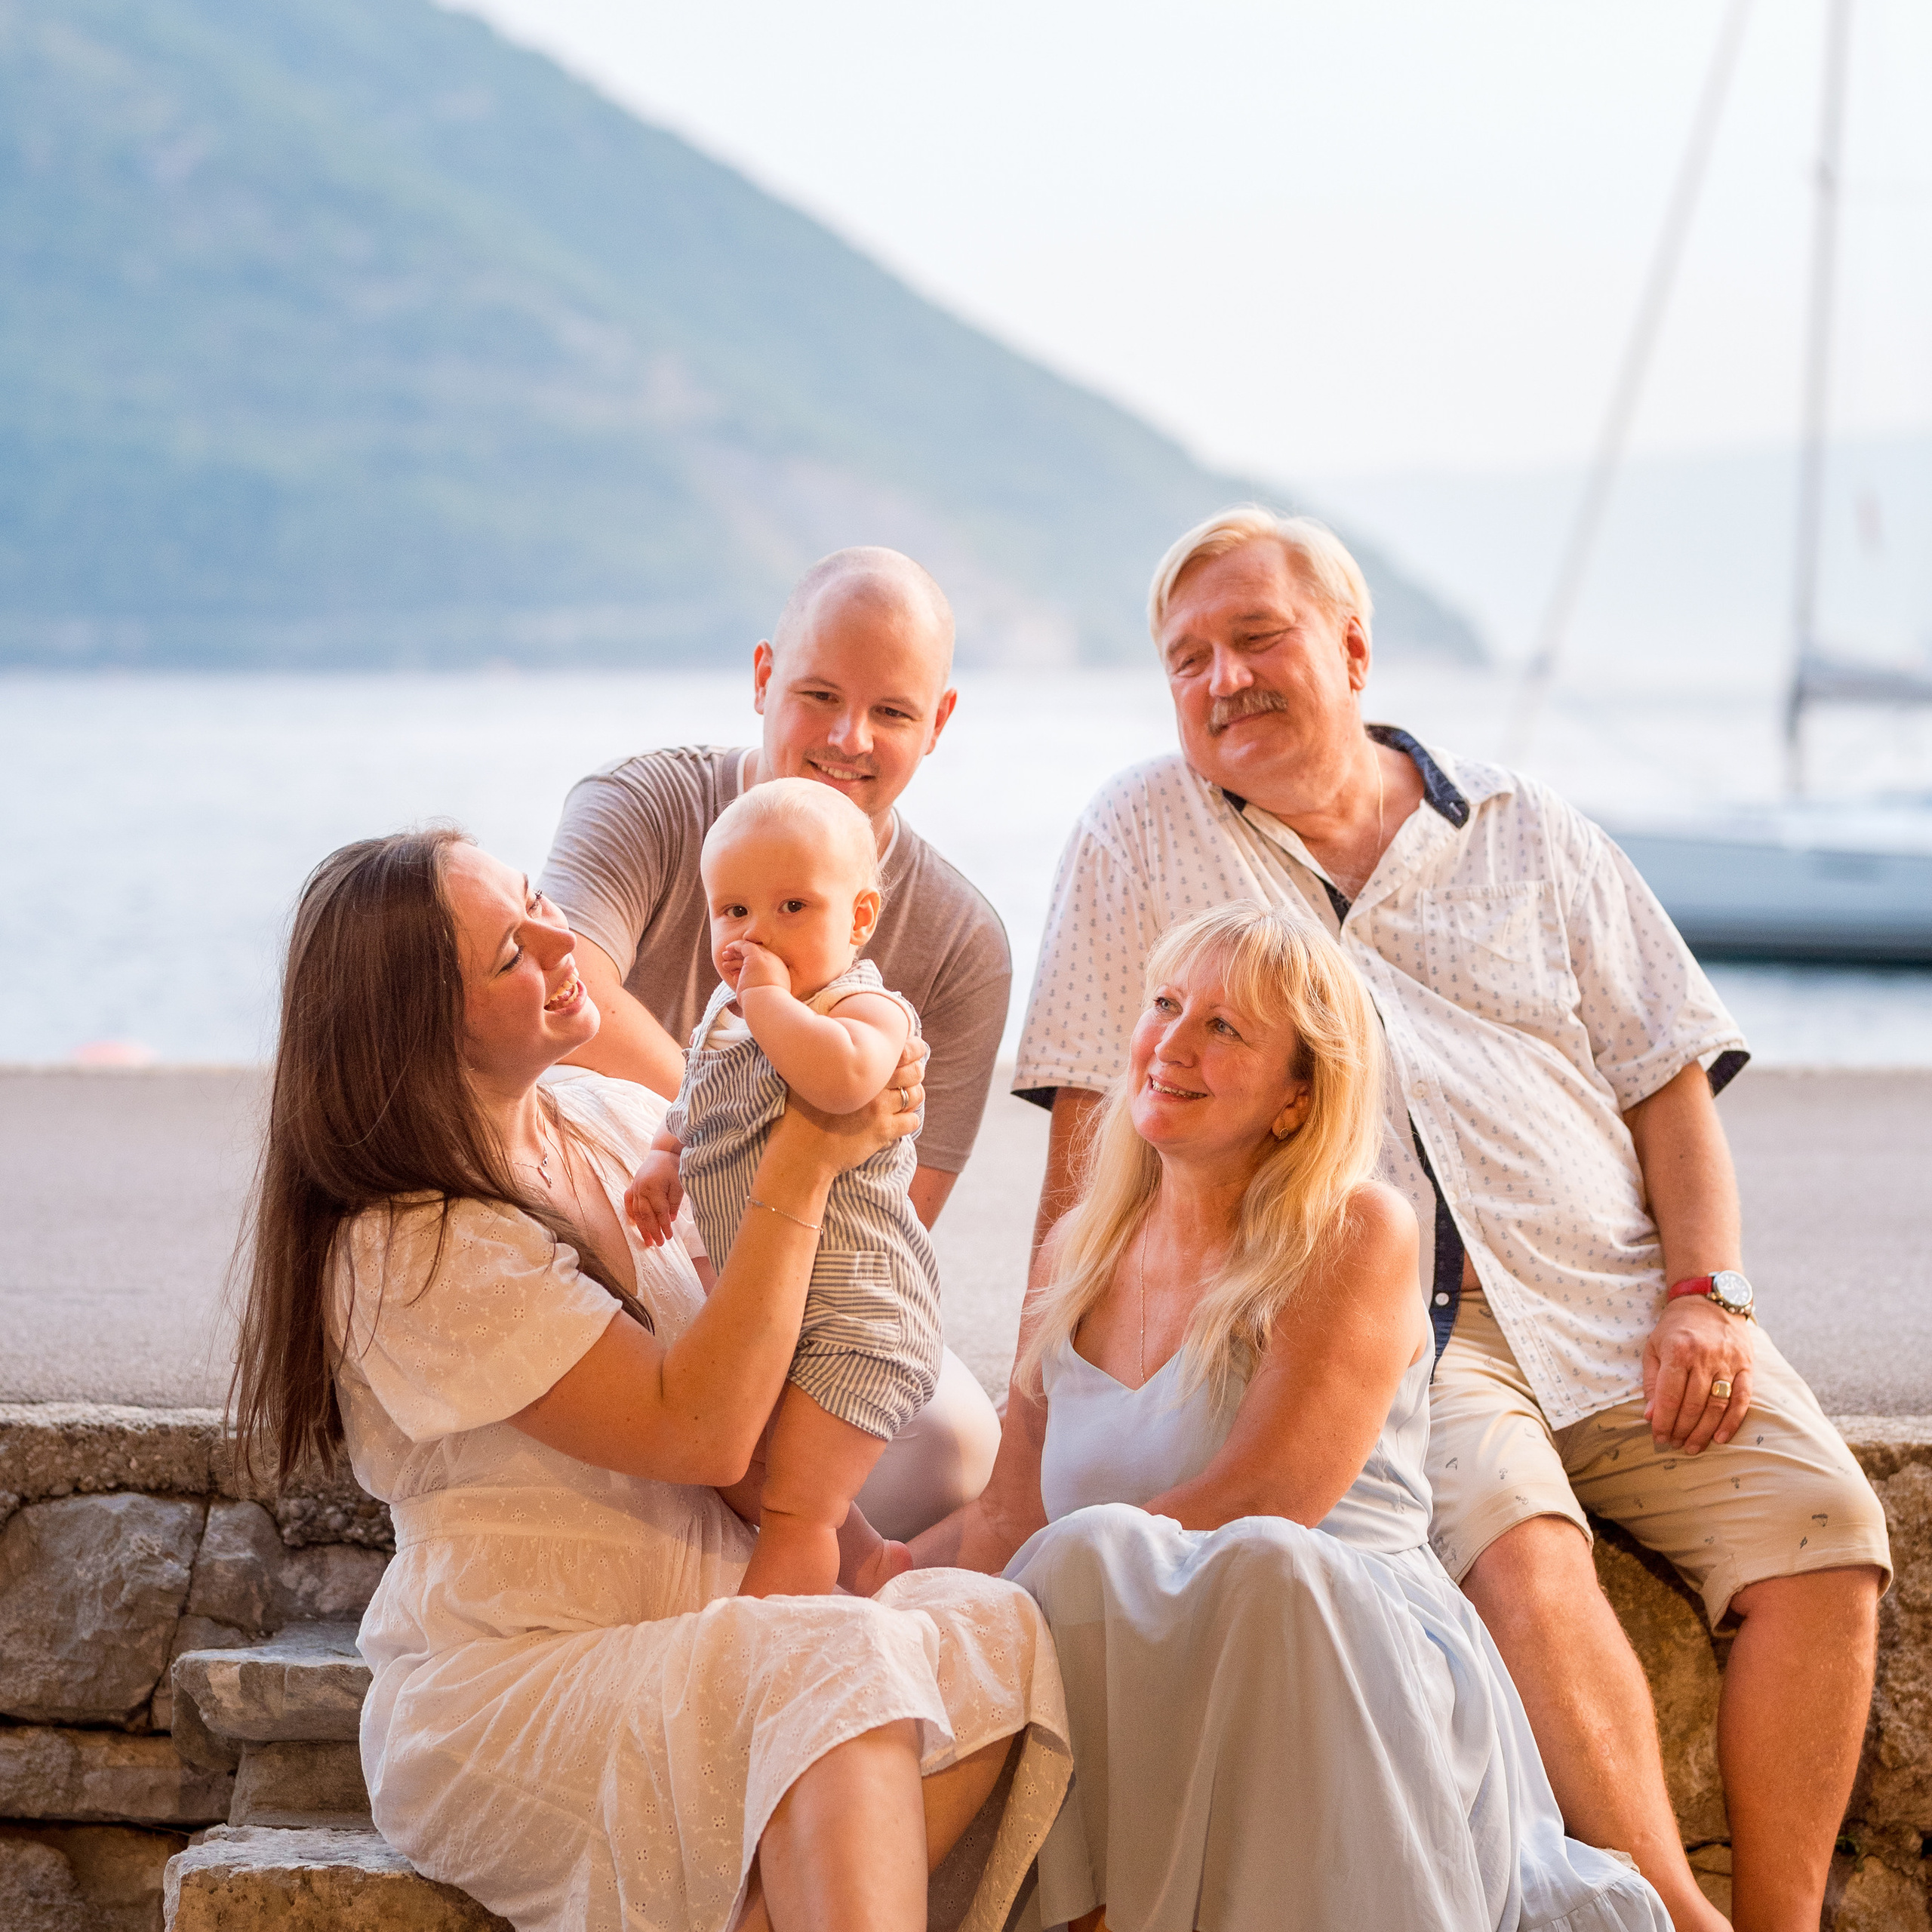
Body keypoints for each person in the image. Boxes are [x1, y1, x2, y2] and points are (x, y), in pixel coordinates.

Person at [1012, 505, 1893, 1932]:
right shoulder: (1140, 834)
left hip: (1610, 1291)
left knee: (1828, 1528)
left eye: (1256, 637)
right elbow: (1084, 1131)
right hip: (1389, 1315)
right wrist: (1029, 1424)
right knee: (1523, 1549)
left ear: (1351, 649)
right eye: (1187, 660)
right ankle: (1675, 1917)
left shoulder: (1527, 828)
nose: (1223, 679)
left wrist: (1708, 1290)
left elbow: (1670, 1089)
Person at [232, 828, 1069, 1932]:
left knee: (994, 1632)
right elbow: (702, 1428)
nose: (556, 939)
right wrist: (809, 1157)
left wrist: (848, 1540)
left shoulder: (618, 1120)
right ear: (417, 1030)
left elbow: (761, 1396)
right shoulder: (405, 1248)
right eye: (507, 957)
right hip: (516, 1686)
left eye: (538, 902)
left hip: (727, 1635)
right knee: (830, 1665)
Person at [915, 902, 1667, 1931]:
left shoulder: (1354, 1231)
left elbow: (1264, 1500)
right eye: (1166, 1006)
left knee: (1238, 1563)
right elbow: (1007, 1521)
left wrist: (1047, 1587)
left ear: (1296, 1098)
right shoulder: (1076, 1256)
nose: (1170, 1045)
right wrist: (862, 1573)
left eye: (1224, 1029)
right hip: (1144, 1672)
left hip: (1343, 1664)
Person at [540, 545, 1008, 1542]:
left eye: (892, 712)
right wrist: (737, 1116)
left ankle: (794, 1573)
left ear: (941, 721)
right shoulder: (645, 807)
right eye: (819, 694)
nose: (850, 738)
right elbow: (561, 1000)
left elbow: (898, 1212)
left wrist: (762, 1244)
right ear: (762, 677)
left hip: (808, 1271)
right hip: (618, 1227)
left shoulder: (964, 943)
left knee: (954, 1440)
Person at [629, 780, 943, 1597]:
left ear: (861, 918)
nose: (753, 934)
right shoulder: (729, 1018)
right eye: (732, 912)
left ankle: (771, 1653)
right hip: (779, 1311)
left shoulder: (864, 1008)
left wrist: (767, 998)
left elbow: (843, 1086)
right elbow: (696, 1095)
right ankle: (872, 1563)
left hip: (856, 1316)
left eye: (792, 907)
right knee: (756, 1464)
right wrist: (665, 1156)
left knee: (796, 1506)